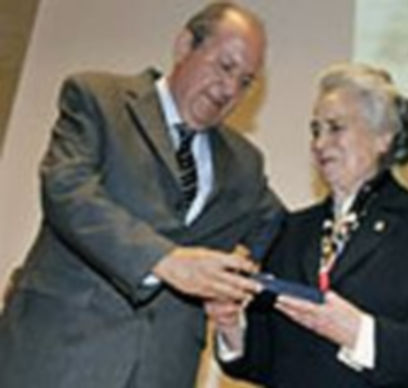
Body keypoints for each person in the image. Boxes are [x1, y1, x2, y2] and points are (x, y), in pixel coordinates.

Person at [0, 2, 284, 387]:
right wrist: (164, 260)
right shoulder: (98, 98)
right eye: (225, 66)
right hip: (61, 359)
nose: (230, 90)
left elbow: (276, 223)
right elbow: (68, 190)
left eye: (246, 81)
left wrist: (239, 269)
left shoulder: (244, 163)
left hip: (163, 370)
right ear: (185, 45)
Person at [207, 63, 408, 387]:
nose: (320, 144)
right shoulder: (290, 231)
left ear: (383, 137)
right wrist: (232, 330)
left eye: (336, 128)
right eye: (315, 130)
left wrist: (361, 334)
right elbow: (264, 361)